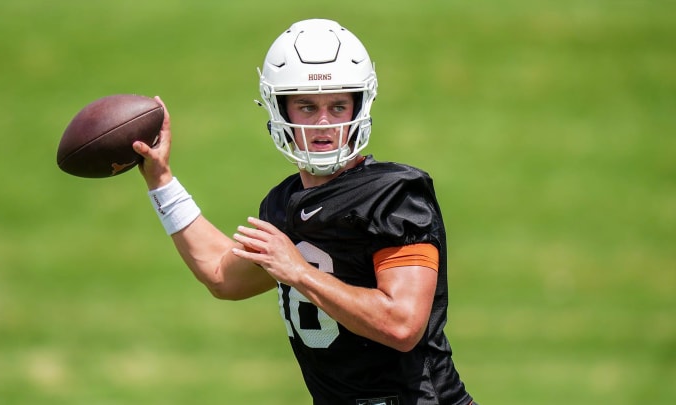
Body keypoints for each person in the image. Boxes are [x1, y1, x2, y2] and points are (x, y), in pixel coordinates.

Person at [133, 18, 476, 405]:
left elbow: (402, 325)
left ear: (360, 105)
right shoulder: (284, 203)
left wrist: (299, 272)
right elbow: (221, 276)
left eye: (338, 105)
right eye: (307, 106)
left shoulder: (393, 196)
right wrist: (161, 181)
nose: (325, 123)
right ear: (281, 110)